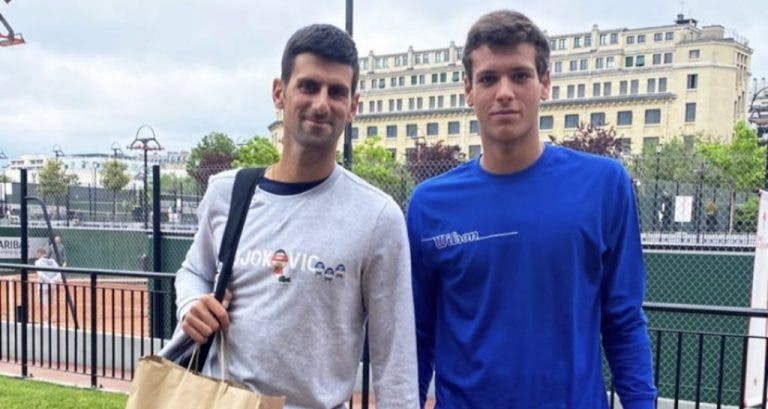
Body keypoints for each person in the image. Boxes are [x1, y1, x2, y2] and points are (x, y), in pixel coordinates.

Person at [406, 10, 656, 409]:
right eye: (488, 78)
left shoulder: (605, 184)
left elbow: (624, 321)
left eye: (519, 75)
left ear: (545, 84)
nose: (504, 91)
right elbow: (417, 336)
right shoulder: (429, 204)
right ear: (468, 90)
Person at [169, 24, 418, 409]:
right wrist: (192, 304)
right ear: (279, 93)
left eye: (337, 92)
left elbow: (395, 359)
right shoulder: (227, 192)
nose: (321, 103)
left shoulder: (378, 217)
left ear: (353, 106)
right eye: (308, 86)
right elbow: (193, 270)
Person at [34, 247, 61, 318]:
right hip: (52, 284)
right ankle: (49, 316)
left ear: (40, 253)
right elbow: (59, 274)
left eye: (37, 254)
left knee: (43, 301)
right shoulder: (53, 261)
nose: (36, 255)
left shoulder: (38, 262)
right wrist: (52, 281)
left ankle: (46, 317)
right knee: (50, 301)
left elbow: (40, 274)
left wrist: (48, 281)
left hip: (43, 284)